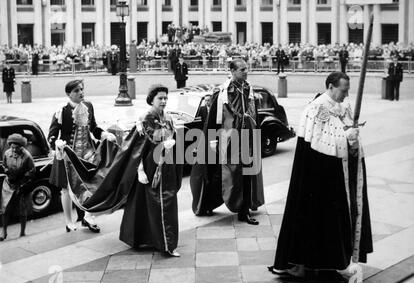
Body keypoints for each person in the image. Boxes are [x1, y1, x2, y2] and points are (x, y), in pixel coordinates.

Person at [268, 72, 373, 282]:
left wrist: (353, 141)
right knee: (316, 222)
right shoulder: (317, 109)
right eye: (343, 90)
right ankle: (309, 265)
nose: (346, 94)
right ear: (331, 87)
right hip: (319, 179)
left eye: (348, 90)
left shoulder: (344, 108)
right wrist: (346, 137)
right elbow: (320, 145)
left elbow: (346, 142)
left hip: (337, 178)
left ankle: (332, 263)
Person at [190, 59, 265, 225]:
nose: (246, 72)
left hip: (246, 138)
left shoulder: (248, 89)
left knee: (246, 174)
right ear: (232, 71)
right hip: (226, 140)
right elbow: (214, 119)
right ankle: (207, 205)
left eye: (247, 69)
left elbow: (253, 115)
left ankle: (243, 212)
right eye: (242, 69)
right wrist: (212, 141)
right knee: (219, 174)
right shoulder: (223, 92)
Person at [119, 84, 183, 257]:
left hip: (166, 165)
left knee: (160, 203)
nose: (163, 101)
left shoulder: (168, 117)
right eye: (160, 98)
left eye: (165, 98)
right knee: (161, 203)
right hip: (152, 167)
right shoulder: (146, 117)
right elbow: (139, 146)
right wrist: (140, 169)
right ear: (152, 99)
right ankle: (167, 245)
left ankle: (154, 239)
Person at [48, 79, 115, 233]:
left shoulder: (88, 106)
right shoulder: (62, 110)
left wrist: (104, 134)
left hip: (88, 153)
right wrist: (56, 144)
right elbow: (51, 136)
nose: (81, 93)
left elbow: (94, 127)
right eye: (76, 91)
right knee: (66, 189)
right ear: (68, 94)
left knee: (92, 185)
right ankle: (69, 221)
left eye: (82, 89)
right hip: (68, 155)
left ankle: (88, 217)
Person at [0, 134, 35, 241]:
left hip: (21, 184)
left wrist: (24, 181)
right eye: (12, 147)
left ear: (21, 147)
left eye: (16, 147)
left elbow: (32, 171)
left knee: (22, 209)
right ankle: (3, 232)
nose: (14, 149)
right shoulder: (7, 153)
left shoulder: (27, 156)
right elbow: (4, 165)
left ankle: (22, 232)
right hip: (9, 183)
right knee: (4, 208)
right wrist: (6, 170)